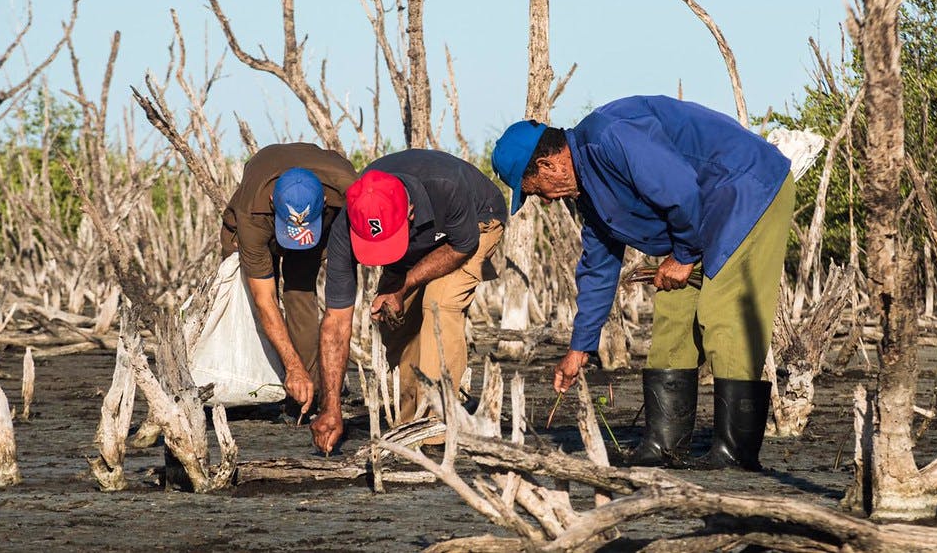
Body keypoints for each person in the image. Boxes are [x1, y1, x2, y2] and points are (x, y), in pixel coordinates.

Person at [491, 95, 794, 471]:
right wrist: (579, 348)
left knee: (722, 315)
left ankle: (735, 452)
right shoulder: (588, 191)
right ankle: (665, 444)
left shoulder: (611, 135)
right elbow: (599, 267)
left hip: (746, 190)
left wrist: (683, 255)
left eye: (536, 190)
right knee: (672, 316)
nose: (547, 202)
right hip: (704, 215)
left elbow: (681, 189)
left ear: (547, 164)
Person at [311, 149, 506, 454]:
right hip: (415, 246)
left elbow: (462, 246)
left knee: (440, 304)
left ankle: (435, 424)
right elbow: (336, 322)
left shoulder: (446, 186)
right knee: (394, 322)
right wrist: (330, 406)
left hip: (476, 222)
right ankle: (408, 421)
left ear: (410, 211)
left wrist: (403, 286)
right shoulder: (346, 226)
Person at [221, 142, 357, 416]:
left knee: (300, 292)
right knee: (245, 295)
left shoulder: (347, 191)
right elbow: (265, 299)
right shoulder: (253, 212)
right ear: (273, 201)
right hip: (260, 222)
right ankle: (258, 380)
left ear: (325, 204)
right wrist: (291, 366)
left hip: (319, 221)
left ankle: (308, 393)